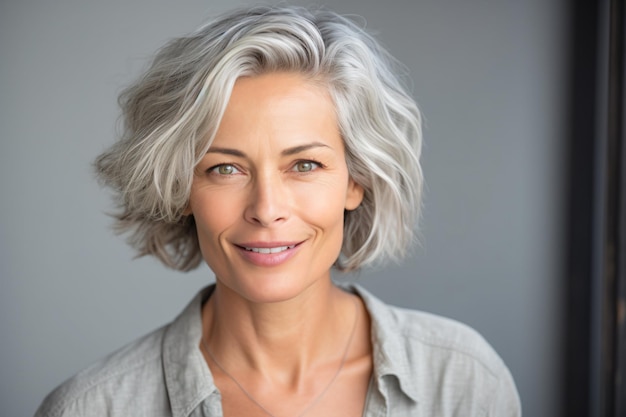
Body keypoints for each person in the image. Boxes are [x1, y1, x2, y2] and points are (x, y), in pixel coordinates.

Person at [35, 5, 521, 417]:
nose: (266, 209)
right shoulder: (92, 406)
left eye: (304, 164)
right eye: (225, 169)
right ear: (181, 187)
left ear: (357, 180)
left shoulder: (462, 380)